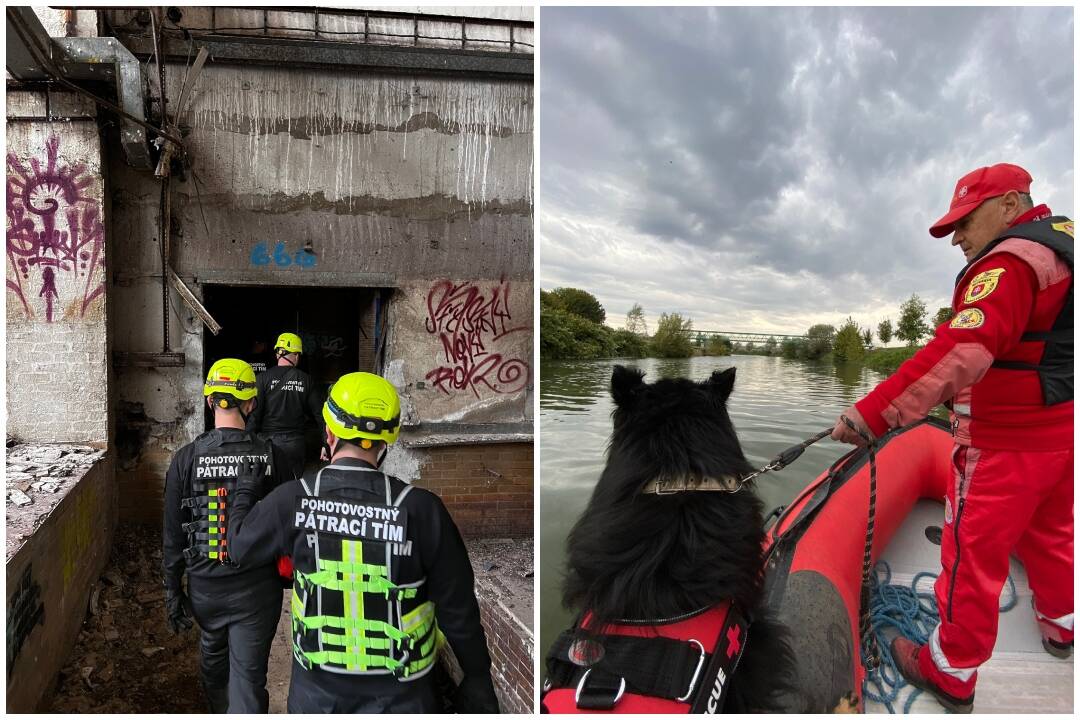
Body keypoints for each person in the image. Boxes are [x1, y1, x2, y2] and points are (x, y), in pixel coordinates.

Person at [831, 163, 1073, 713]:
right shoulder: (1064, 247)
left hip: (1004, 445)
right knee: (1051, 536)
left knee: (970, 559)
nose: (958, 238)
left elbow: (960, 351)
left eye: (965, 222)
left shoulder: (1011, 262)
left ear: (1011, 206)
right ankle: (1061, 627)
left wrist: (871, 415)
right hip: (1060, 438)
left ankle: (950, 671)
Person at [226, 372, 501, 713]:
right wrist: (477, 676)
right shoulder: (422, 510)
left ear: (329, 432)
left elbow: (238, 549)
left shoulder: (291, 501)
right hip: (405, 699)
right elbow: (458, 609)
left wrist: (244, 493)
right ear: (388, 440)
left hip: (317, 698)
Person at [162, 358, 289, 713]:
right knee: (248, 680)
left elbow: (173, 533)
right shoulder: (273, 457)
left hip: (205, 588)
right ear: (250, 403)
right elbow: (291, 525)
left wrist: (172, 590)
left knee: (213, 665)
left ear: (209, 401)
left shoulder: (185, 459)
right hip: (258, 591)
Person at [247, 332, 325, 482]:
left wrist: (245, 442)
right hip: (294, 445)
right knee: (292, 488)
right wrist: (326, 443)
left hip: (266, 445)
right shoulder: (306, 380)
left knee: (267, 488)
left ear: (277, 354)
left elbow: (254, 416)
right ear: (296, 355)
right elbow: (320, 415)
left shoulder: (262, 379)